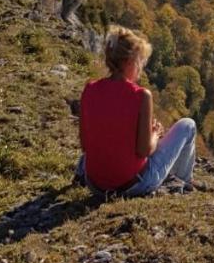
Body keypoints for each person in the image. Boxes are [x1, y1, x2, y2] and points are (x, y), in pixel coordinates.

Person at [76, 24, 196, 197]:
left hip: (94, 184)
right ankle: (183, 183)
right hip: (131, 186)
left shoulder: (90, 89)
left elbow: (85, 145)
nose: (141, 68)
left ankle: (81, 174)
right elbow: (145, 151)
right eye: (140, 62)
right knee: (188, 125)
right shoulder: (141, 95)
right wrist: (155, 134)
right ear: (129, 62)